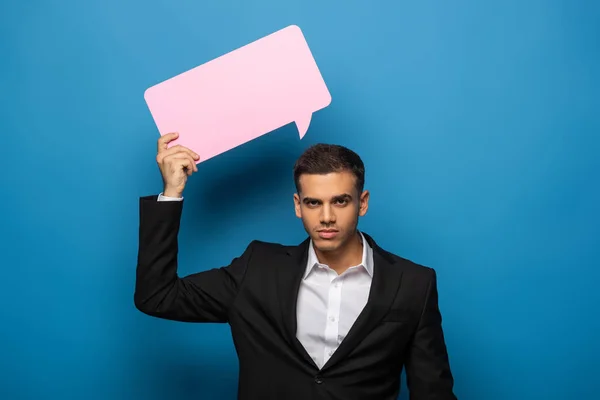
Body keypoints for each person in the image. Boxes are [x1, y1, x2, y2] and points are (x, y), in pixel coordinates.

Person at [134, 132, 458, 400]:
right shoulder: (257, 270)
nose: (327, 216)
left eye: (340, 201)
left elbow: (434, 393)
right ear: (297, 206)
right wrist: (172, 193)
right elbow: (157, 296)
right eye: (313, 202)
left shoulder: (413, 283)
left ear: (363, 202)